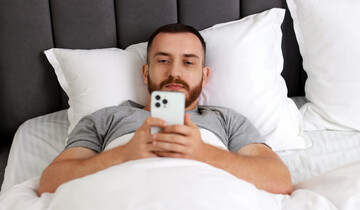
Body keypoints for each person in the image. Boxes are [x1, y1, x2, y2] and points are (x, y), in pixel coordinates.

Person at [38, 23, 293, 196]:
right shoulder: (106, 118)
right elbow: (50, 182)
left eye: (188, 62)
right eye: (163, 60)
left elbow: (280, 180)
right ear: (146, 72)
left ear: (204, 76)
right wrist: (124, 154)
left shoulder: (227, 120)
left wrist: (203, 152)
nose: (174, 72)